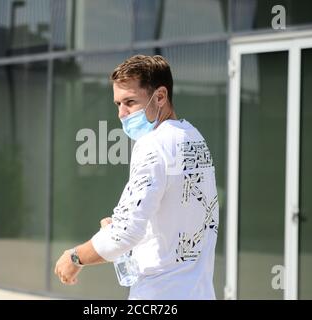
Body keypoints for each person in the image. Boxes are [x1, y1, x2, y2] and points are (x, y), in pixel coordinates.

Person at [54, 54, 219, 300]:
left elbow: (124, 234)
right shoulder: (194, 139)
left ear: (160, 96)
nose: (122, 113)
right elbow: (179, 217)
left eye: (130, 102)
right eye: (117, 104)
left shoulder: (151, 145)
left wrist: (75, 257)